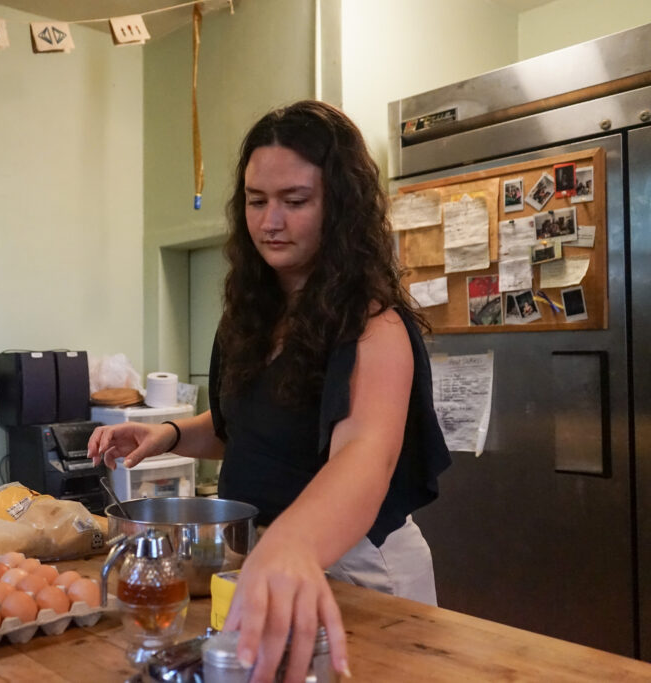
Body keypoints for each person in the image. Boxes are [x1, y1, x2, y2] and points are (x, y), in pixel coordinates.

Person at [88, 100, 451, 683]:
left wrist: (291, 544)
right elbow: (250, 431)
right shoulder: (252, 316)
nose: (270, 221)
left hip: (358, 567)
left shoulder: (374, 325)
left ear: (340, 207)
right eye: (257, 202)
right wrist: (171, 434)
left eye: (295, 201)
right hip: (274, 560)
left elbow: (365, 455)